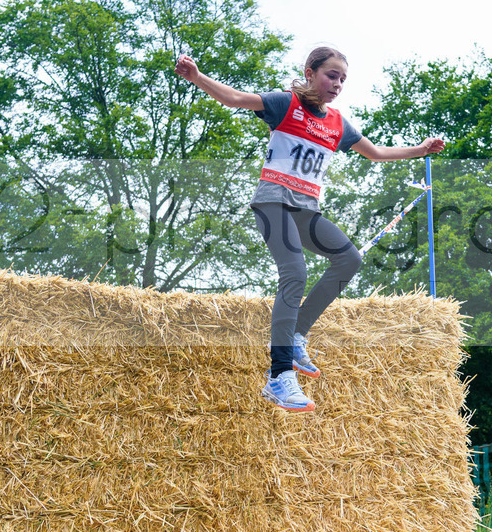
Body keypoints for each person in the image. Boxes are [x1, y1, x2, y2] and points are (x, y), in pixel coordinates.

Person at [174, 46, 445, 412]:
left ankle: (295, 333)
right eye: (331, 75)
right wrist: (198, 78)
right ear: (310, 72)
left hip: (305, 210)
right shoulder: (285, 104)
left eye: (343, 80)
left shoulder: (337, 123)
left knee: (348, 259)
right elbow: (236, 98)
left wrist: (420, 150)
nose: (337, 84)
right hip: (273, 203)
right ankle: (279, 375)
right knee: (295, 272)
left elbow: (376, 153)